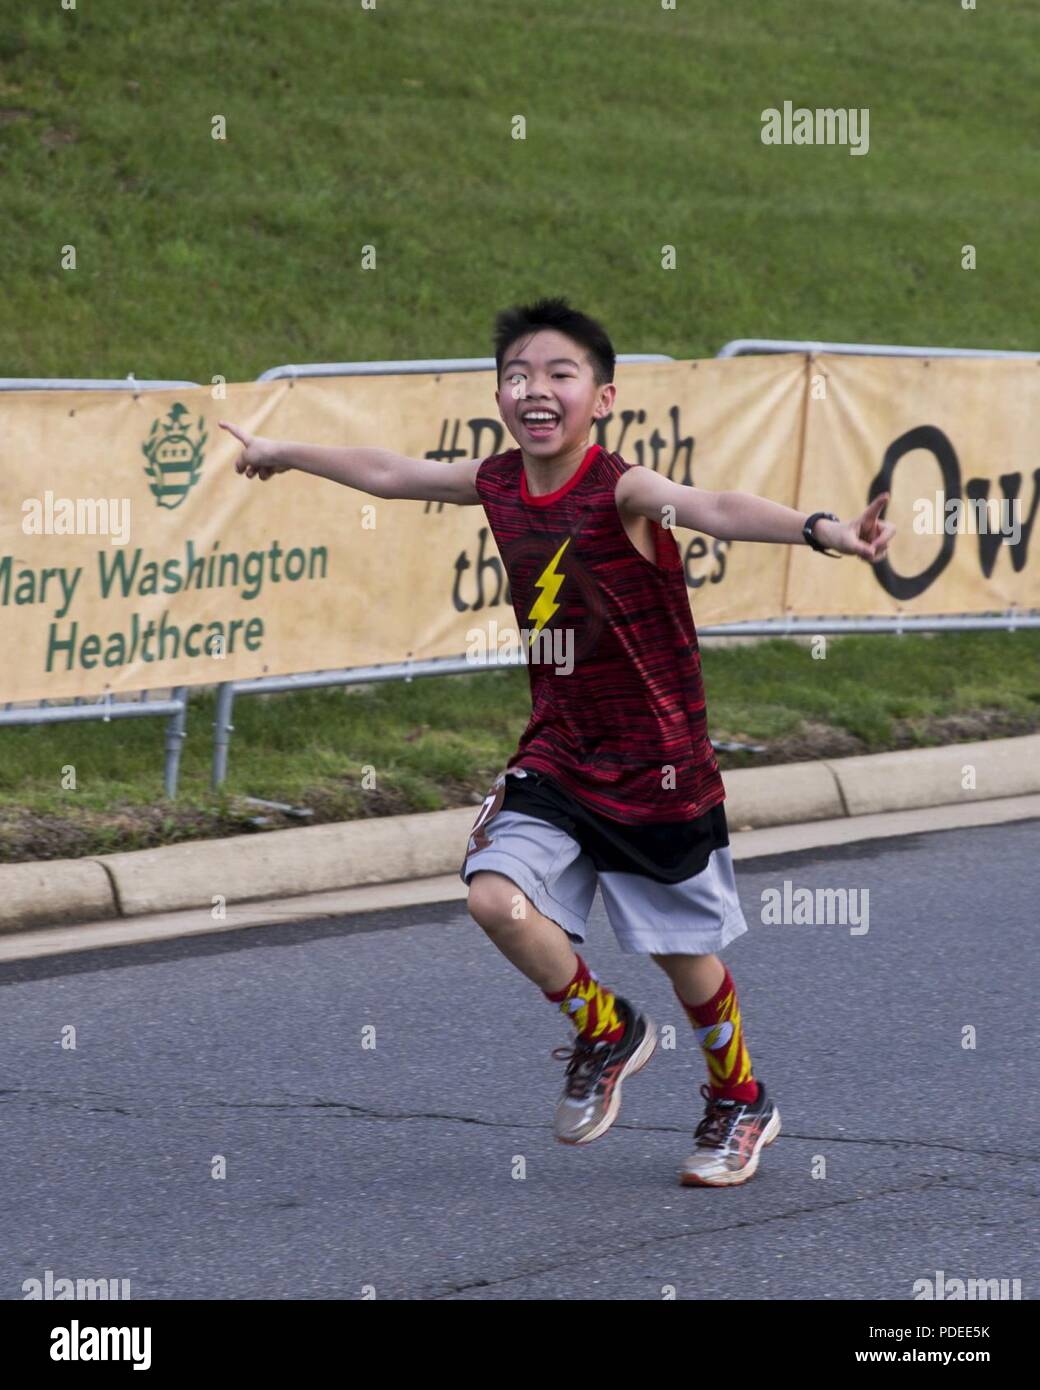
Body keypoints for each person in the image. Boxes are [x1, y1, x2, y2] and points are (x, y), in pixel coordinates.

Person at [219, 296, 894, 1187]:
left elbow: (716, 505)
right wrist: (279, 452)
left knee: (681, 955)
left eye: (559, 375)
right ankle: (604, 1028)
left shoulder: (624, 489)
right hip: (561, 751)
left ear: (603, 400)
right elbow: (389, 471)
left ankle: (741, 1100)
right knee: (494, 899)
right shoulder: (498, 482)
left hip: (659, 763)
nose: (534, 390)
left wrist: (825, 532)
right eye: (516, 376)